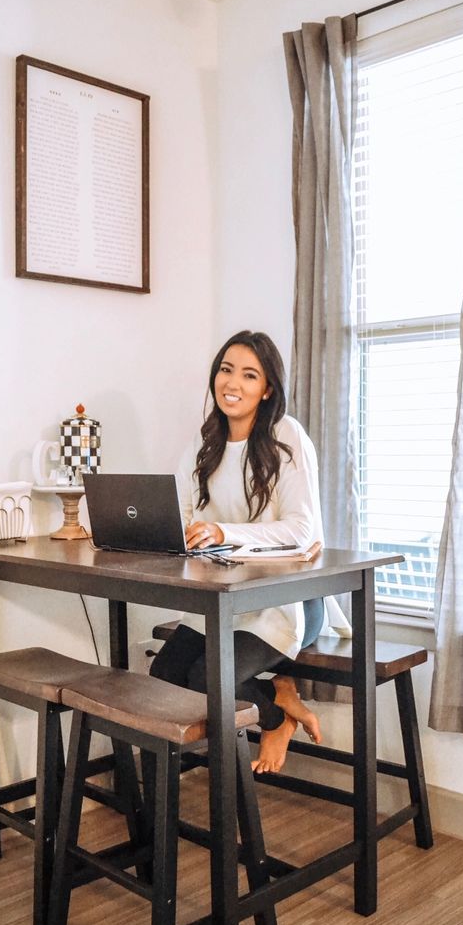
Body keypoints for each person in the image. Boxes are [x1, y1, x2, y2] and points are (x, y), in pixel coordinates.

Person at [149, 330, 348, 772]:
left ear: (267, 388)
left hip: (287, 603)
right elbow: (180, 517)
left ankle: (276, 721)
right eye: (225, 370)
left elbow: (302, 529)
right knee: (162, 679)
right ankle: (277, 698)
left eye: (249, 374)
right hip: (221, 602)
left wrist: (221, 531)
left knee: (206, 677)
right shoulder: (204, 445)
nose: (232, 383)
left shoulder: (284, 434)